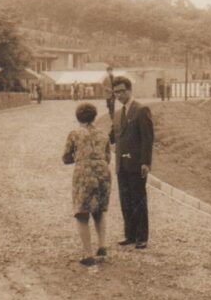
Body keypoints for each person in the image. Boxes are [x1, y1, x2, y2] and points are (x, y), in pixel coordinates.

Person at [62, 103, 111, 266]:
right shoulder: (103, 134)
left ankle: (88, 253)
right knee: (99, 210)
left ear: (78, 117)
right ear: (95, 116)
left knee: (82, 213)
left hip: (84, 173)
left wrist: (79, 158)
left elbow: (66, 158)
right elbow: (108, 157)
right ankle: (102, 246)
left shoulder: (75, 134)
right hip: (103, 172)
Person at [109, 76, 154, 249]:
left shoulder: (141, 110)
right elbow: (112, 137)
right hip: (121, 165)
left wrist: (145, 162)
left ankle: (142, 237)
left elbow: (147, 139)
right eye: (116, 92)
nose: (119, 95)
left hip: (136, 165)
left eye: (122, 91)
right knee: (125, 200)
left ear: (129, 90)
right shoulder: (118, 113)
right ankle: (130, 235)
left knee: (138, 200)